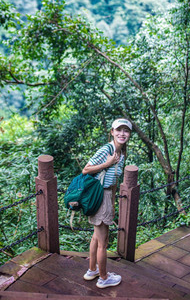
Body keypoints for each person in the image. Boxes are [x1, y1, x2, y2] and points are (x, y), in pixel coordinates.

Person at [82, 118, 132, 289]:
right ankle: (103, 278)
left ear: (129, 134)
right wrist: (107, 163)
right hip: (100, 196)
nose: (122, 133)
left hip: (107, 197)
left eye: (126, 130)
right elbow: (86, 169)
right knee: (103, 242)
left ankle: (92, 270)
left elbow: (114, 180)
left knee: (96, 236)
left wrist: (113, 201)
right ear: (112, 132)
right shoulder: (107, 150)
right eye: (119, 130)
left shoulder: (121, 153)